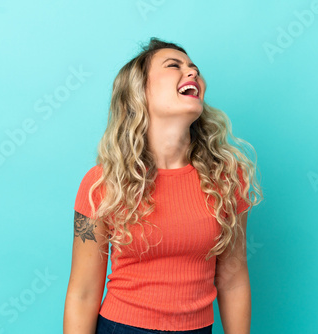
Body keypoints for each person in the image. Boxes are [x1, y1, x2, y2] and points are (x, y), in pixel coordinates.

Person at [63, 37, 263, 334]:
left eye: (194, 68)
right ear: (140, 91)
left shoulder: (228, 179)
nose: (192, 72)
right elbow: (82, 293)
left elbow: (233, 281)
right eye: (174, 66)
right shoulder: (100, 184)